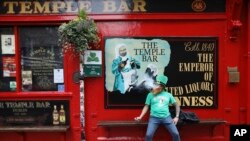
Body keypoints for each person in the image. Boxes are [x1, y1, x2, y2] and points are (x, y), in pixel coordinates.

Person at [134, 74, 181, 141]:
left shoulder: (168, 95)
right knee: (148, 135)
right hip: (154, 118)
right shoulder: (150, 94)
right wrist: (140, 116)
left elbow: (176, 105)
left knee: (176, 134)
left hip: (166, 117)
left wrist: (177, 117)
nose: (156, 86)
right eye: (156, 84)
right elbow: (146, 106)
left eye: (159, 85)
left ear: (162, 87)